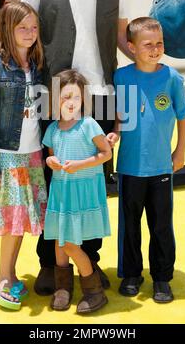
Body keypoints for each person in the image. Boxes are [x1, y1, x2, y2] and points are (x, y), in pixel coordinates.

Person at [0, 0, 133, 296]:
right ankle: (50, 262)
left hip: (100, 97)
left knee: (93, 183)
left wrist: (155, 63)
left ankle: (88, 259)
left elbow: (121, 36)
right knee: (52, 182)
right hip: (51, 95)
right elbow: (18, 31)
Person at [0, 0, 47, 310]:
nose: (29, 33)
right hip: (8, 156)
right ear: (7, 29)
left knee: (20, 223)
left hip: (33, 155)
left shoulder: (38, 64)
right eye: (22, 28)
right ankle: (3, 277)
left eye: (33, 27)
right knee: (13, 222)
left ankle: (11, 272)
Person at [110, 17, 185, 303]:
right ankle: (131, 274)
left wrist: (180, 151)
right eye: (148, 44)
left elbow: (182, 115)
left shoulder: (172, 78)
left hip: (161, 168)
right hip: (130, 167)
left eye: (159, 43)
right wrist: (114, 134)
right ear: (131, 47)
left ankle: (161, 278)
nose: (155, 49)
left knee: (161, 226)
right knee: (129, 225)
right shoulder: (121, 77)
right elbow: (118, 115)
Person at [43, 69, 111, 313]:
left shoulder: (89, 125)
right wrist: (52, 163)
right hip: (62, 194)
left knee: (71, 244)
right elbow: (52, 158)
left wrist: (81, 164)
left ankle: (94, 291)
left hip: (82, 193)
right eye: (65, 97)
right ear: (54, 99)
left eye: (76, 97)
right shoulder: (52, 129)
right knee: (60, 242)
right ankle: (64, 287)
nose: (70, 103)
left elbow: (106, 154)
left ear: (83, 99)